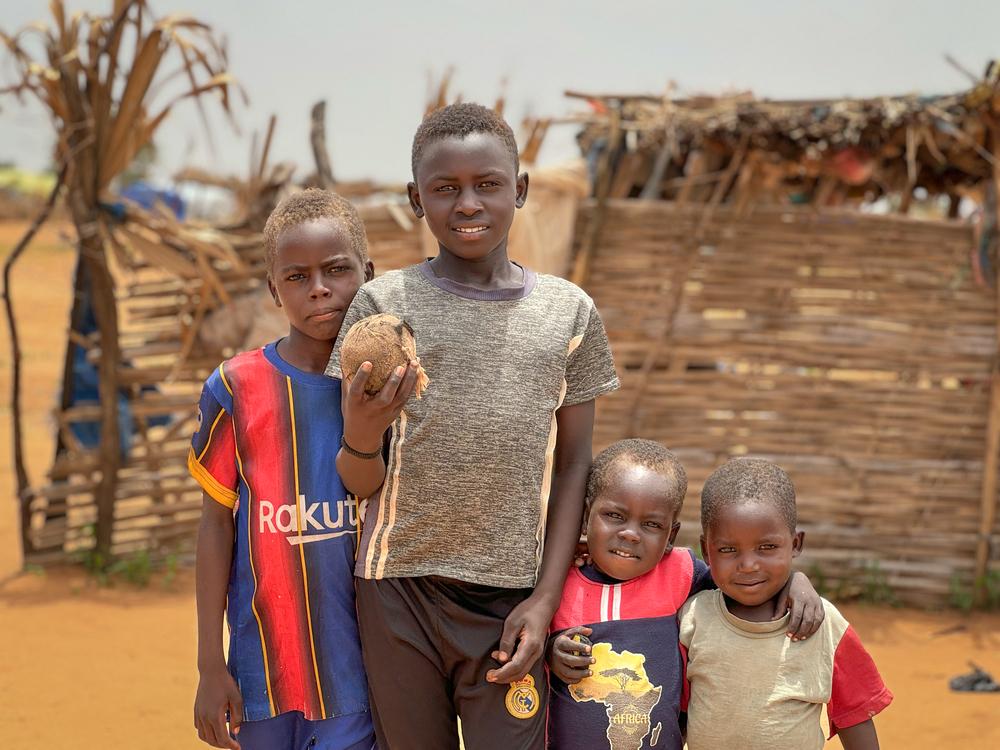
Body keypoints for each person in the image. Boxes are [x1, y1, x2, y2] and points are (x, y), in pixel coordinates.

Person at [325, 102, 620, 749]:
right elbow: (352, 478)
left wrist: (545, 599)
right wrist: (364, 433)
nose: (468, 204)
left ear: (520, 189)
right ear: (415, 199)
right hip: (398, 590)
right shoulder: (383, 309)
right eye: (445, 189)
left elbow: (574, 465)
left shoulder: (567, 315)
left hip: (512, 599)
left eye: (487, 184)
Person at [189, 189, 377, 750]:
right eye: (296, 277)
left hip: (361, 677)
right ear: (274, 290)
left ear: (367, 273)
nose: (319, 288)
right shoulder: (235, 388)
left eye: (337, 270)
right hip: (259, 674)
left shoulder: (390, 389)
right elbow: (216, 524)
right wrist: (208, 666)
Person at [547, 440, 825, 750]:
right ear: (586, 516)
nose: (630, 533)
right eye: (614, 516)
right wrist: (551, 652)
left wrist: (795, 581)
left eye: (652, 524)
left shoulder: (679, 572)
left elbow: (744, 584)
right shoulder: (555, 581)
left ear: (671, 536)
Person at [680, 458, 893, 750]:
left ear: (795, 544)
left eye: (767, 547)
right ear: (706, 550)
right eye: (728, 549)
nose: (749, 565)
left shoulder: (824, 624)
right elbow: (675, 713)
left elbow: (854, 714)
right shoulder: (693, 618)